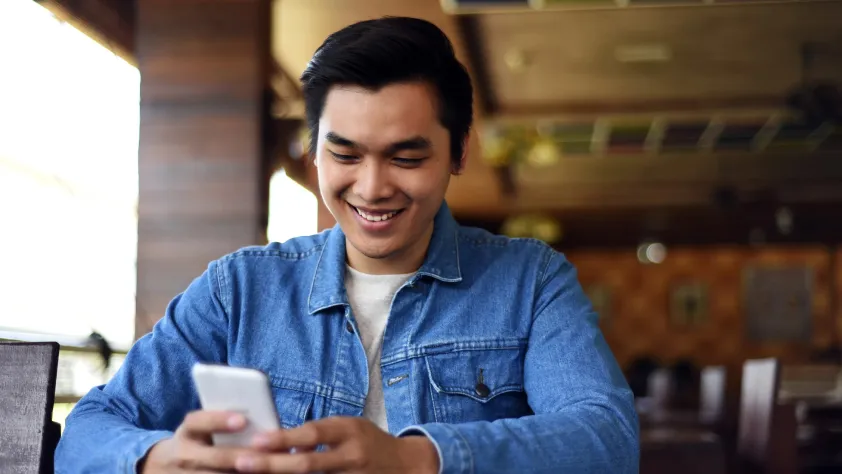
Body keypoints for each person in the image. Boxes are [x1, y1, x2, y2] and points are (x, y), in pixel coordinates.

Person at [55, 17, 638, 473]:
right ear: (313, 154)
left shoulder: (530, 280)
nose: (372, 187)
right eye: (345, 154)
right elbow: (90, 430)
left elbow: (606, 440)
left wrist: (414, 459)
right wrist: (157, 460)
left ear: (459, 153)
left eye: (407, 157)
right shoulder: (239, 288)